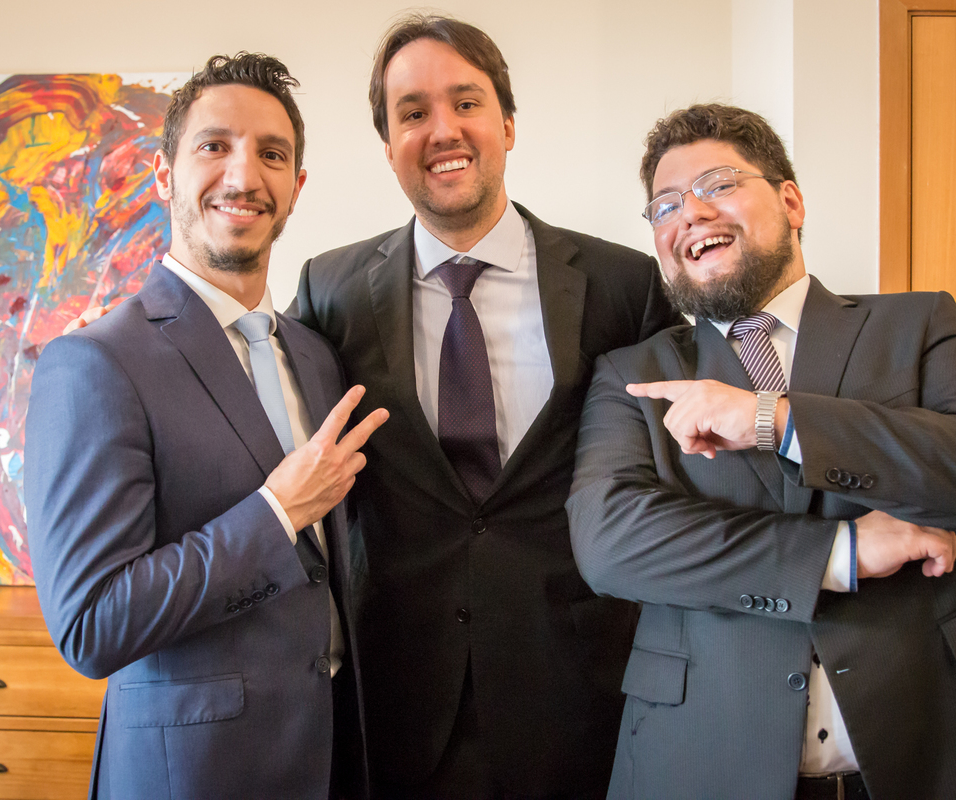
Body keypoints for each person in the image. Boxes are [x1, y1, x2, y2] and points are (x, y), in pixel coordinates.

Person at [566, 103, 956, 800]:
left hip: (942, 751)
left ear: (790, 201)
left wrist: (773, 417)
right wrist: (842, 553)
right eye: (666, 205)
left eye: (718, 185)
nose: (691, 214)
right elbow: (611, 542)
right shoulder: (631, 375)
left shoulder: (921, 323)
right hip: (707, 760)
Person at [290, 14, 680, 798]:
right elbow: (265, 426)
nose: (442, 130)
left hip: (579, 692)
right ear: (388, 144)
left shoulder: (622, 284)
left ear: (506, 123)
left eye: (465, 102)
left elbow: (713, 398)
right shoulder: (328, 291)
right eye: (412, 112)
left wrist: (884, 357)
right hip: (396, 699)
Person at [25, 53, 387, 800]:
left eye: (272, 154)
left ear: (296, 189)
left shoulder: (316, 357)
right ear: (165, 176)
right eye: (214, 145)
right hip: (189, 775)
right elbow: (91, 624)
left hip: (330, 760)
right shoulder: (94, 363)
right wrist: (278, 512)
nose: (244, 174)